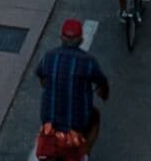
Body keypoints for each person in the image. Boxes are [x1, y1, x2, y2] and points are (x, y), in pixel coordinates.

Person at [33, 15, 109, 156]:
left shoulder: (49, 56)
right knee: (95, 116)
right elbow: (102, 83)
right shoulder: (88, 62)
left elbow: (42, 80)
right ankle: (84, 154)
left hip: (49, 123)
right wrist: (103, 93)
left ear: (61, 37)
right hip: (76, 125)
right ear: (81, 40)